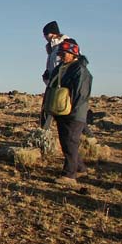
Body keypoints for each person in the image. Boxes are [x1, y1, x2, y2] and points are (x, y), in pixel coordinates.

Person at [48, 39, 92, 186]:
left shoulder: (80, 70)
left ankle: (69, 175)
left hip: (74, 113)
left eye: (65, 53)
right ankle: (79, 168)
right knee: (67, 141)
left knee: (70, 142)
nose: (62, 56)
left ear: (74, 53)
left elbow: (81, 94)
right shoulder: (62, 67)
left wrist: (72, 110)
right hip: (62, 110)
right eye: (61, 53)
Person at [40, 21, 70, 130]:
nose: (44, 37)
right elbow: (53, 66)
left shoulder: (65, 46)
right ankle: (43, 133)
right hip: (53, 83)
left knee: (52, 109)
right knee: (48, 109)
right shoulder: (53, 48)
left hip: (61, 85)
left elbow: (64, 66)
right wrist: (48, 75)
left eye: (45, 34)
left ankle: (43, 134)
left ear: (52, 34)